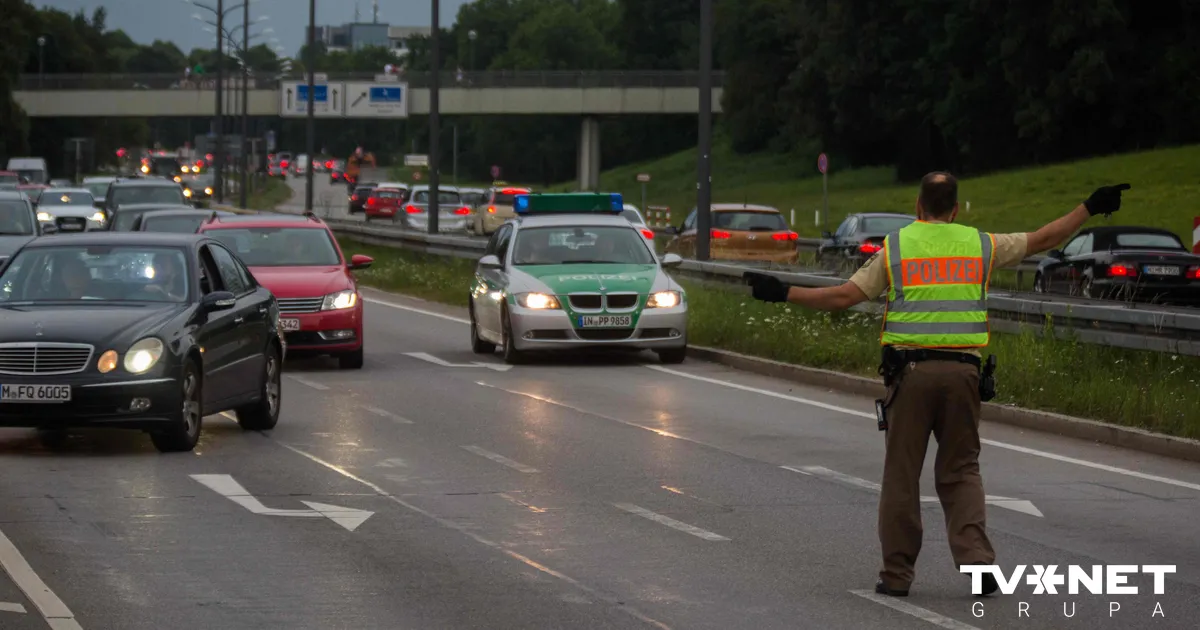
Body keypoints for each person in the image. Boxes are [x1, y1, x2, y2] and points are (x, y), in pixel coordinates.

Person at [746, 173, 1130, 597]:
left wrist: (783, 292)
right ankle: (978, 565)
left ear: (918, 206)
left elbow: (844, 296)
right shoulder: (980, 244)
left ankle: (897, 576)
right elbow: (1043, 239)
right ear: (956, 209)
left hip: (910, 376)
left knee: (902, 475)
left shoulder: (898, 247)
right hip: (964, 374)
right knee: (961, 471)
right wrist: (1089, 206)